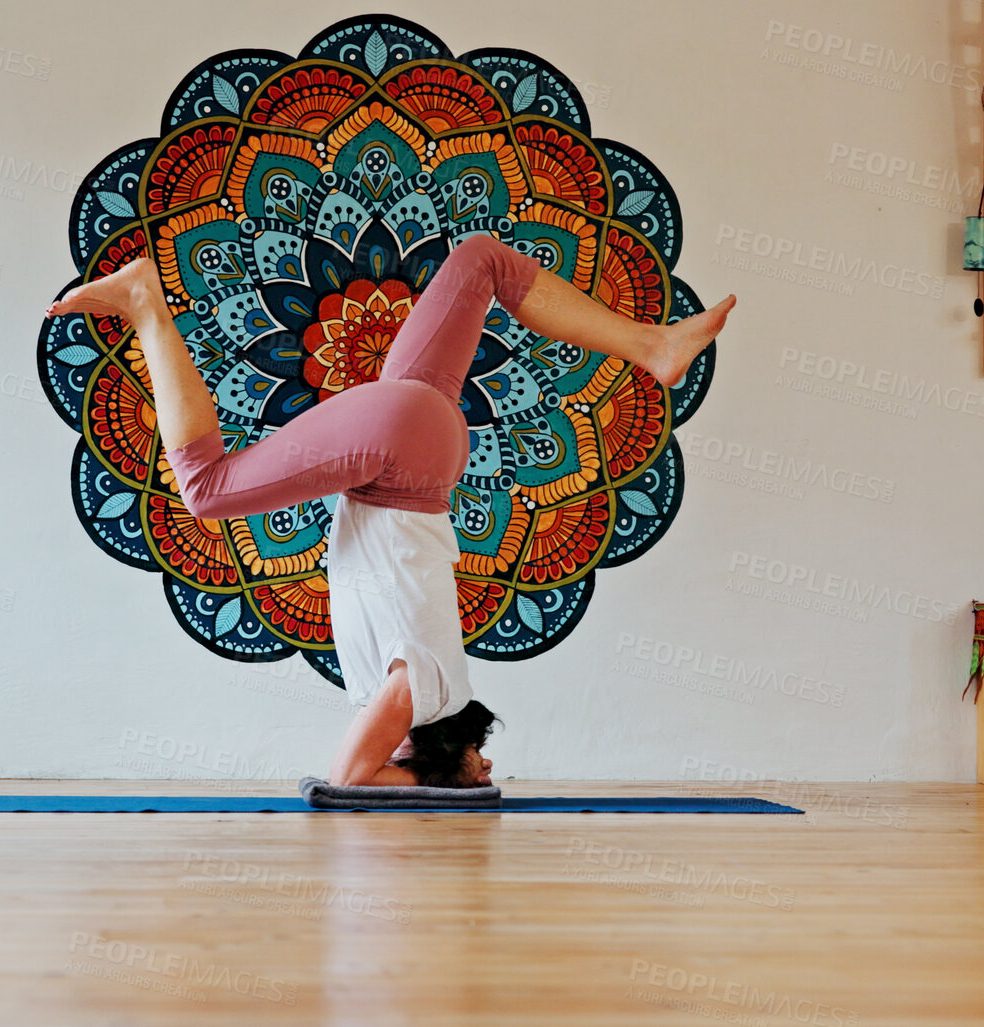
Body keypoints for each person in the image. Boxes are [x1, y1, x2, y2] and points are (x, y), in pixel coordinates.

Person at [48, 234, 736, 788]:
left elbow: (366, 761)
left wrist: (440, 774)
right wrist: (445, 785)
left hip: (419, 433)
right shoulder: (427, 691)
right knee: (206, 490)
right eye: (484, 764)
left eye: (483, 763)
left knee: (481, 260)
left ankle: (653, 345)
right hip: (401, 457)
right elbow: (347, 777)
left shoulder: (414, 686)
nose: (490, 766)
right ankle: (144, 301)